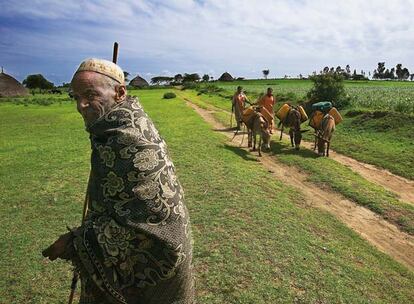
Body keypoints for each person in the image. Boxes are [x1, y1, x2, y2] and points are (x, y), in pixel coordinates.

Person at [42, 58, 194, 304]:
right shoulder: (108, 130)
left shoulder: (129, 138)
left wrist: (78, 241)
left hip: (159, 265)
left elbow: (153, 223)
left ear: (120, 92)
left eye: (90, 95)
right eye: (75, 97)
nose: (81, 105)